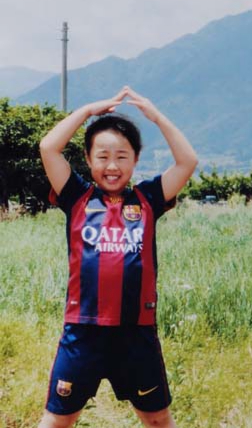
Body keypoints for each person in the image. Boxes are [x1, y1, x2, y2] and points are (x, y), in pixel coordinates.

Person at [38, 86, 198, 428]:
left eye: (122, 156)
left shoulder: (148, 199)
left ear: (136, 159)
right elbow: (48, 147)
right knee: (57, 420)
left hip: (136, 334)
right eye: (103, 156)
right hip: (83, 333)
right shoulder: (76, 196)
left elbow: (187, 162)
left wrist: (155, 116)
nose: (112, 166)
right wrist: (87, 111)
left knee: (158, 420)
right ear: (88, 158)